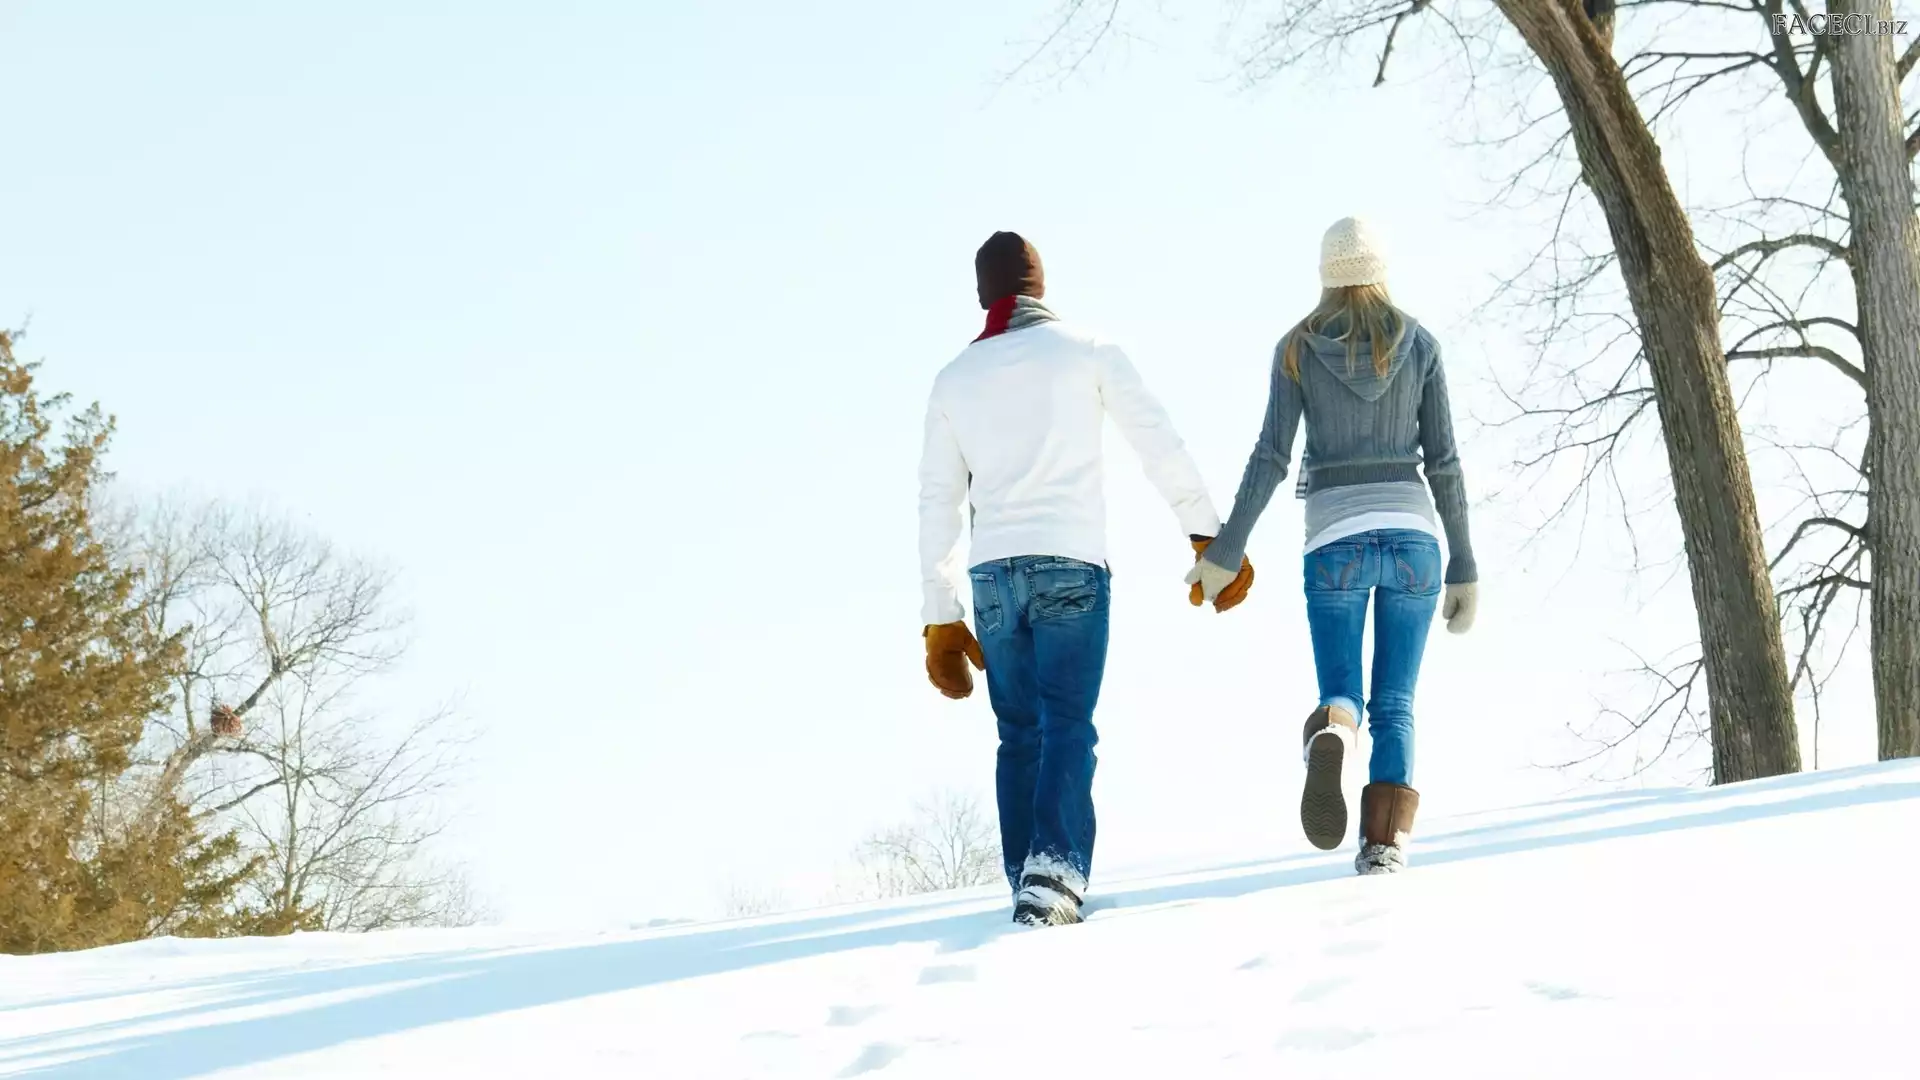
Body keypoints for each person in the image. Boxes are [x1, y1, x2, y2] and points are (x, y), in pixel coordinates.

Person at [918, 231, 1254, 926]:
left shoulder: (953, 379)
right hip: (1070, 562)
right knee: (1067, 723)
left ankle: (1028, 874)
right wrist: (1206, 534)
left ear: (983, 294)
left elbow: (938, 502)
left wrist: (940, 616)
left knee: (1019, 733)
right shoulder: (1088, 351)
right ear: (1039, 285)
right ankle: (1052, 873)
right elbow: (1158, 441)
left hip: (993, 575)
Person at [1187, 216, 1478, 875]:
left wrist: (1227, 549)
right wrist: (1463, 561)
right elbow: (1446, 462)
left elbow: (1270, 456)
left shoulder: (1296, 348)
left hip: (1335, 540)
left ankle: (1335, 730)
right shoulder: (1422, 345)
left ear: (1326, 275)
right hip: (1414, 539)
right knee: (1396, 702)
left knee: (1344, 691)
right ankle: (1384, 845)